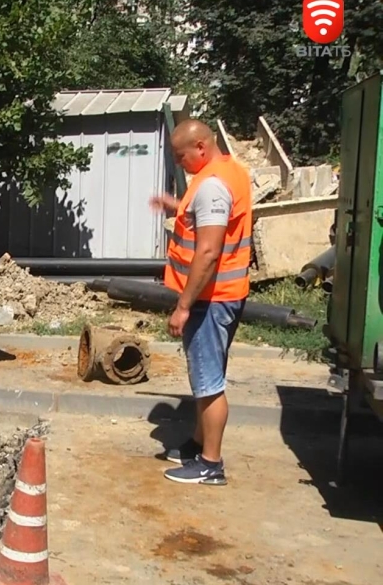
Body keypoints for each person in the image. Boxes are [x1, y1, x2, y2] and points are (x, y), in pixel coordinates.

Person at [149, 118, 252, 486]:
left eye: (181, 155)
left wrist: (183, 305)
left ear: (202, 148)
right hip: (225, 294)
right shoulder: (227, 172)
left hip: (210, 299)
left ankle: (211, 464)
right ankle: (198, 443)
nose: (179, 163)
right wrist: (177, 205)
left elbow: (207, 251)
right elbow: (210, 219)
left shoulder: (210, 185)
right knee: (208, 378)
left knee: (208, 383)